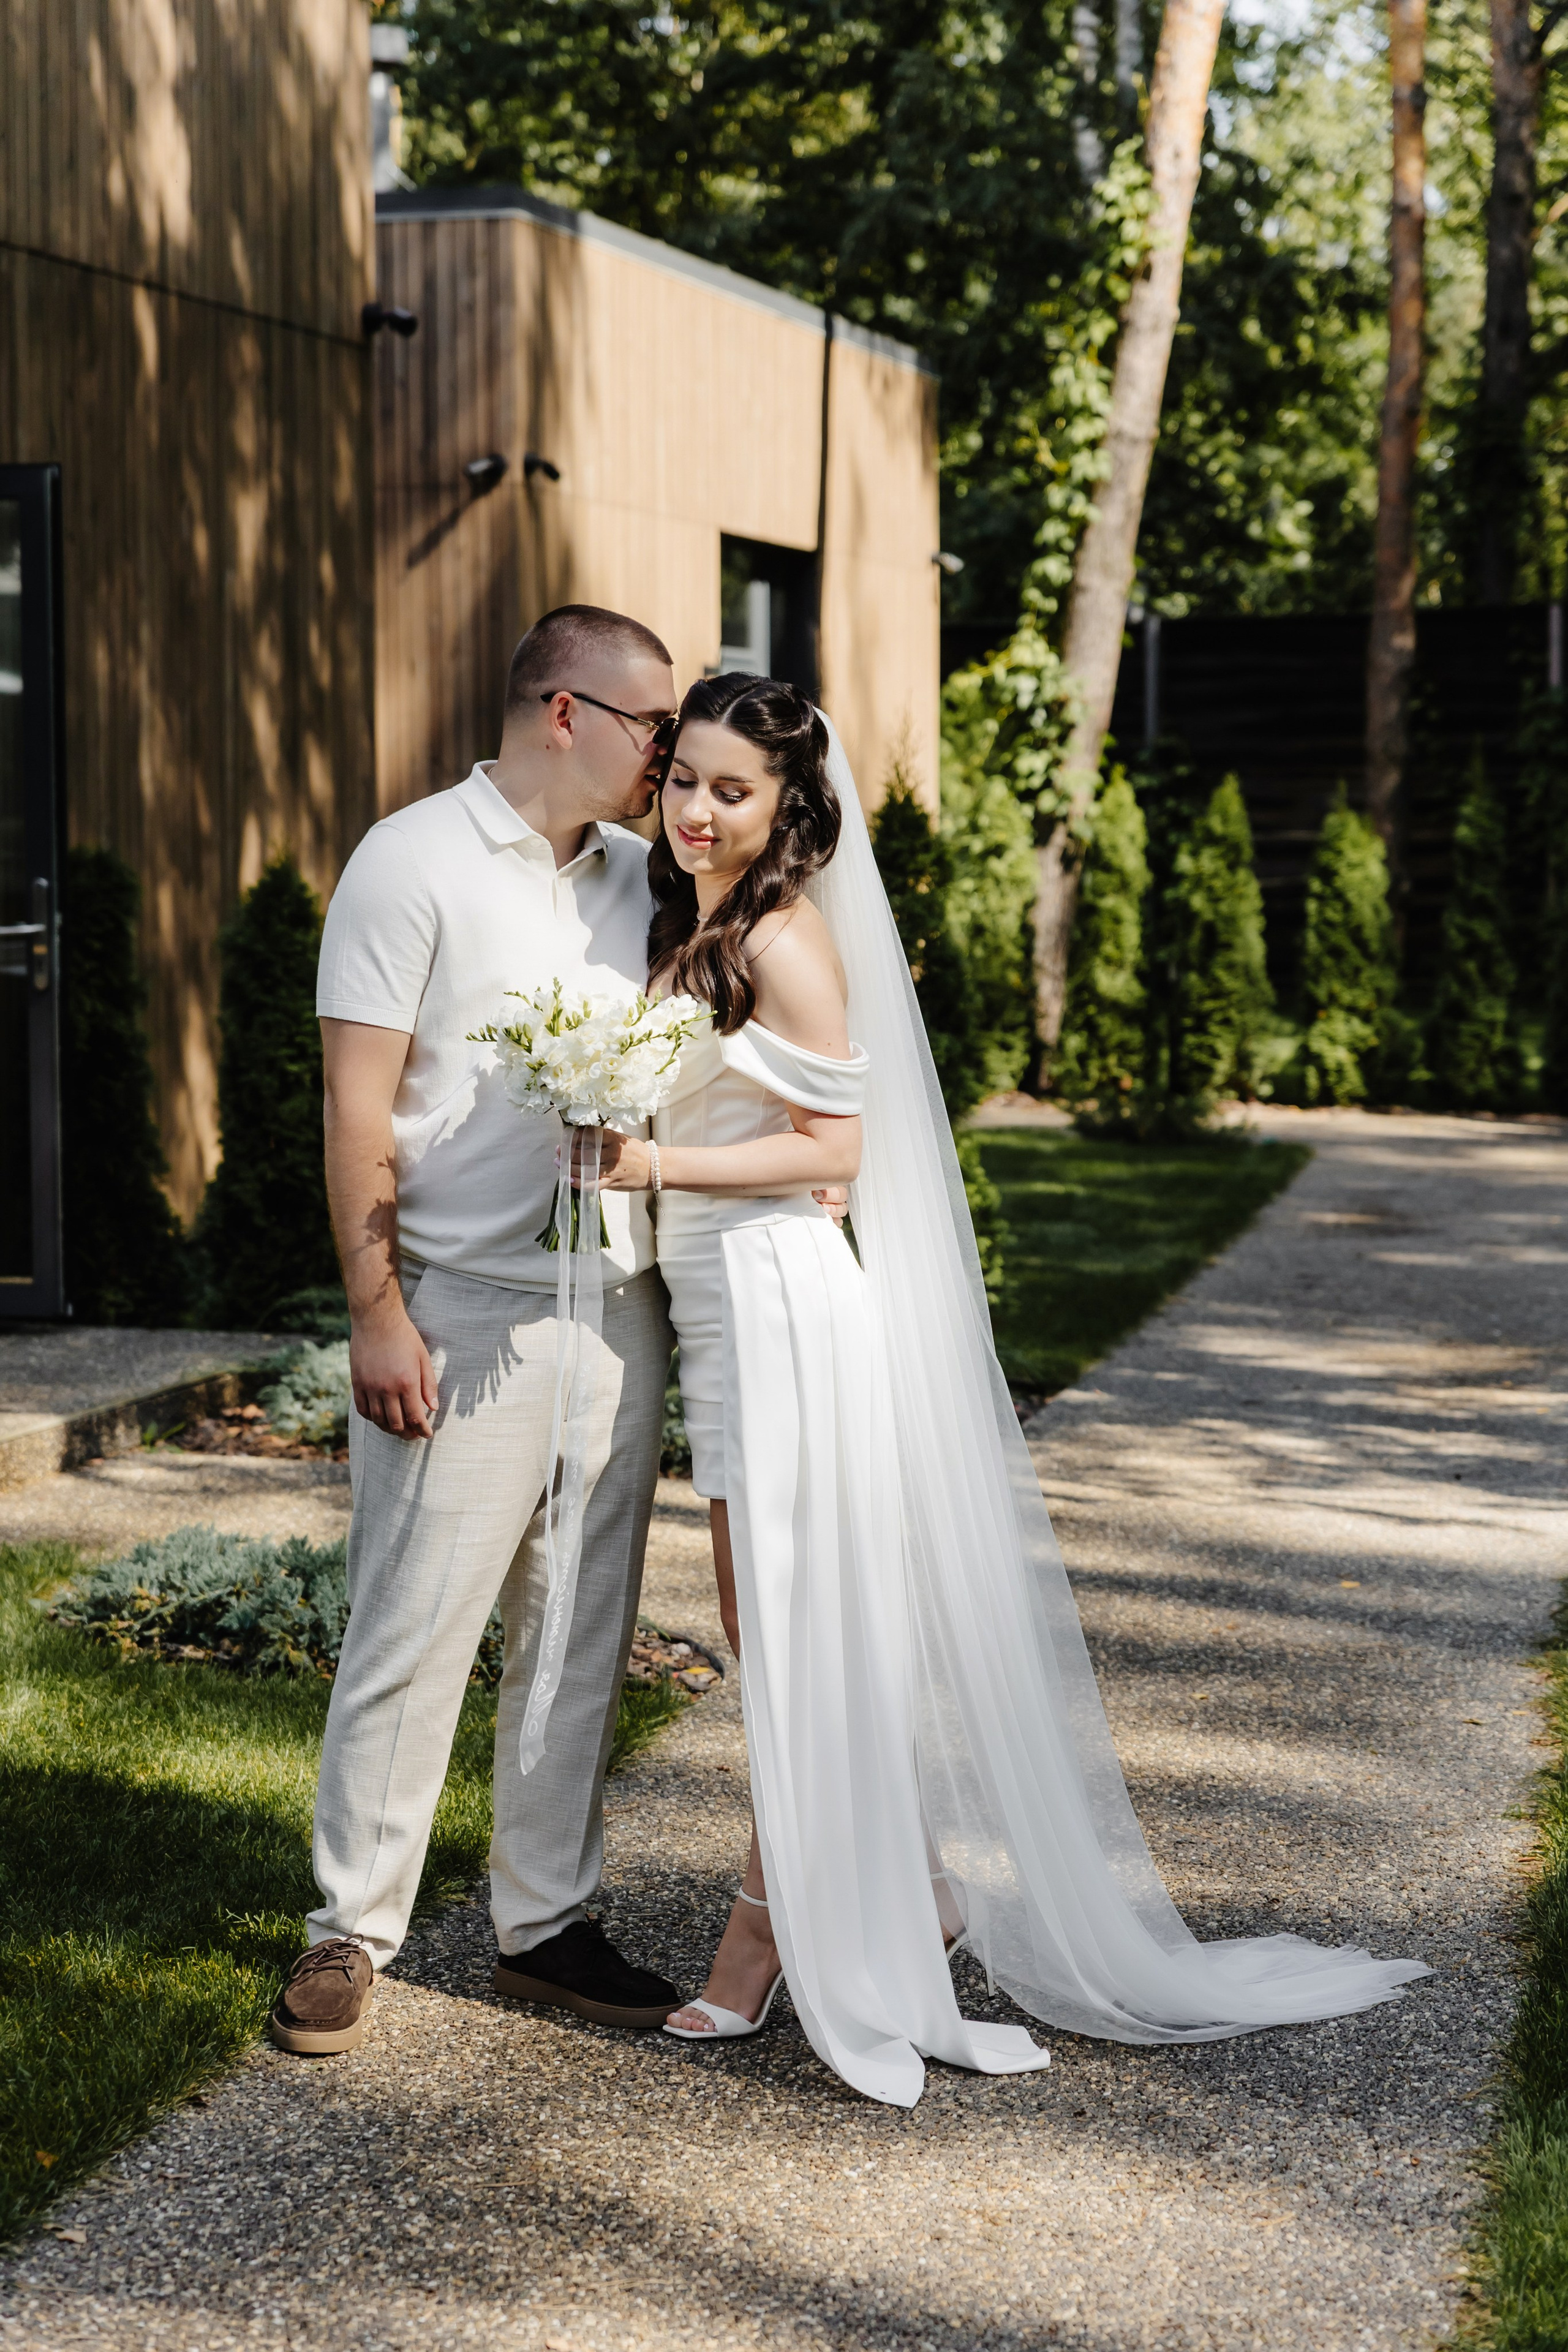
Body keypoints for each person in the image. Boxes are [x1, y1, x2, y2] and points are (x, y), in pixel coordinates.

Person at [581, 673, 1430, 2109]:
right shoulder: (697, 922)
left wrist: (650, 1162)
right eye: (686, 783)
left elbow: (833, 1156)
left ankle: (759, 1939)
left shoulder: (785, 940)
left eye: (733, 791)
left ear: (788, 805)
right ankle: (919, 1890)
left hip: (782, 1310)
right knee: (774, 1631)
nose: (698, 813)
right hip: (724, 1316)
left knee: (783, 1639)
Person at [269, 605, 690, 2054]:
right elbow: (354, 1109)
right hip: (457, 1309)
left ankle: (546, 1923)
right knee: (412, 1626)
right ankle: (349, 1928)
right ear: (565, 712)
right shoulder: (409, 861)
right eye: (651, 725)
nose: (665, 753)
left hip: (615, 1312)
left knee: (581, 1625)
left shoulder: (645, 878)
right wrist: (377, 1313)